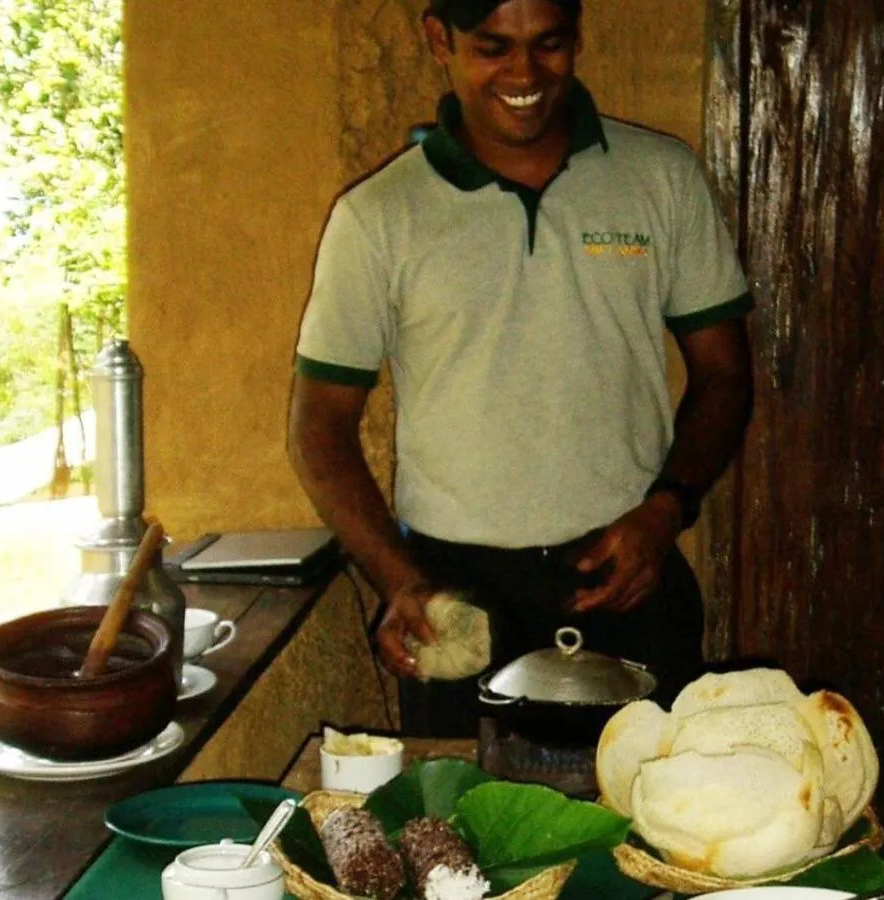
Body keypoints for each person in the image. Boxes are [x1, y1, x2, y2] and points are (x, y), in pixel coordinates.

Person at [288, 0, 754, 737]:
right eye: (493, 47)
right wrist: (401, 582)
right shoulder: (378, 216)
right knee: (459, 810)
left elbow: (724, 375)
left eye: (548, 43)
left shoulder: (661, 177)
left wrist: (667, 509)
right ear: (439, 39)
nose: (524, 72)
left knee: (647, 804)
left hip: (626, 576)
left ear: (577, 36)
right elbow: (318, 429)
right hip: (457, 600)